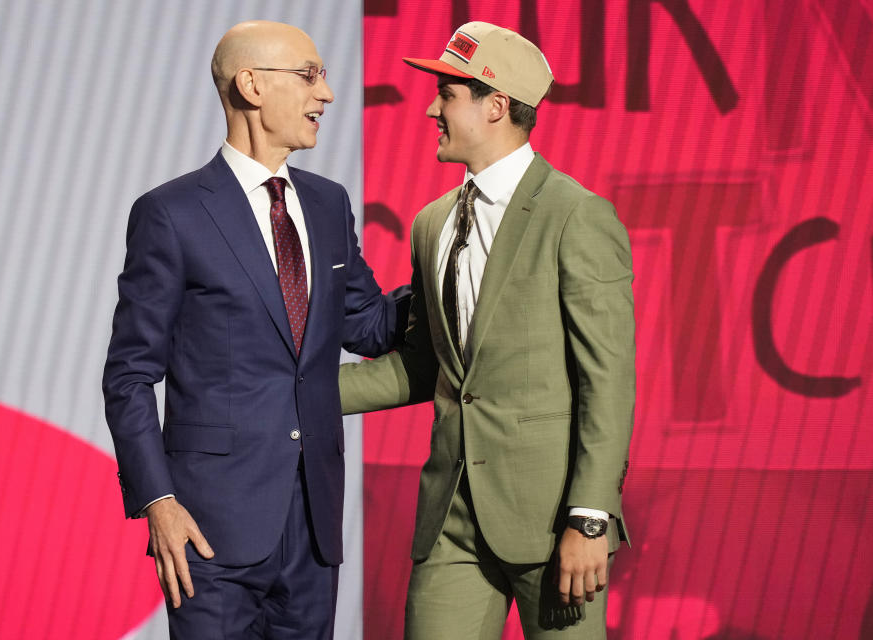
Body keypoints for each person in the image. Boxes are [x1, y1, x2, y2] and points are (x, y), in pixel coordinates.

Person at [102, 20, 405, 639]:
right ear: (251, 86)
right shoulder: (172, 213)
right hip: (208, 527)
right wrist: (158, 502)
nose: (326, 93)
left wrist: (449, 268)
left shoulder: (327, 202)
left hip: (314, 526)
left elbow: (369, 326)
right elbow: (130, 376)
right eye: (309, 74)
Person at [340, 21, 635, 639]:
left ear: (496, 105)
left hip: (553, 523)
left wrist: (589, 519)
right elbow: (427, 367)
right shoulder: (431, 223)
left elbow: (607, 381)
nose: (430, 108)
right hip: (451, 516)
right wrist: (294, 388)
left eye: (447, 94)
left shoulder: (575, 215)